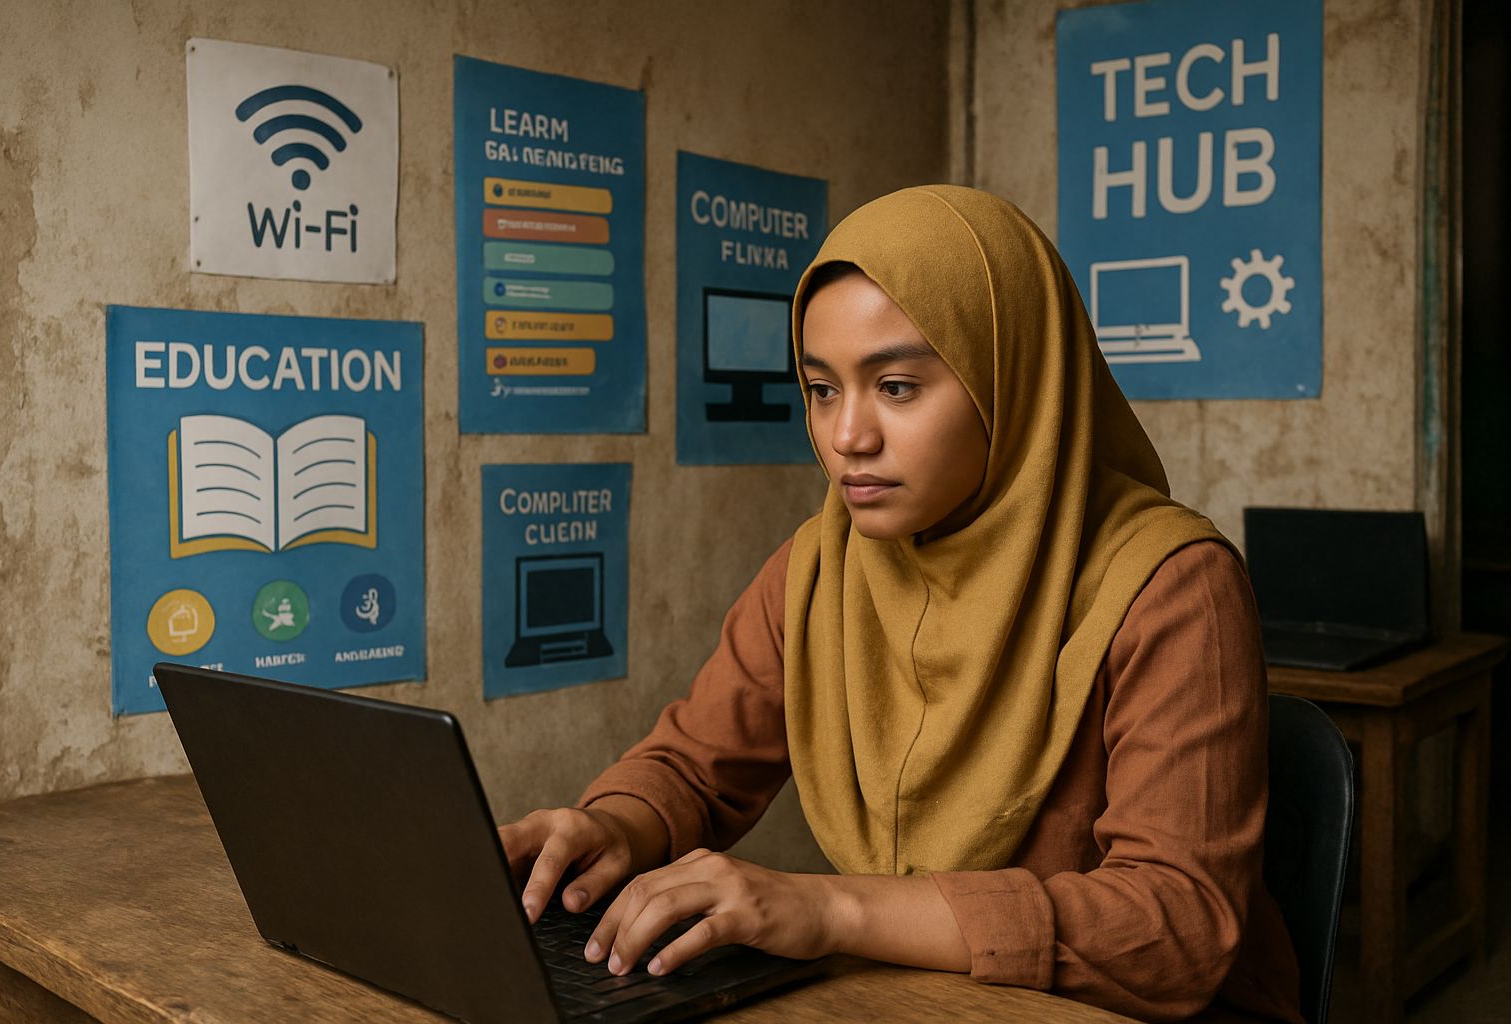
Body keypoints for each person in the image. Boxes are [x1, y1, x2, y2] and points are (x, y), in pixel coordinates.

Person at [499, 186, 1303, 1023]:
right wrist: (614, 828)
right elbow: (694, 764)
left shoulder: (1173, 585)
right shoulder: (819, 567)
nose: (848, 436)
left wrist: (833, 909)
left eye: (896, 386)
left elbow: (1172, 931)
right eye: (820, 390)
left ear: (1012, 375)